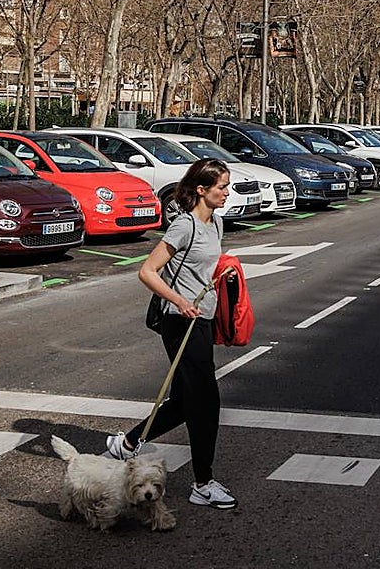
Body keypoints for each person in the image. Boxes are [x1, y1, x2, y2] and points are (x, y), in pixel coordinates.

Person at [104, 157, 237, 510]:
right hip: (180, 322)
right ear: (201, 189)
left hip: (203, 319)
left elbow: (204, 270)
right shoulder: (184, 226)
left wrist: (223, 278)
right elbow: (147, 271)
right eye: (221, 186)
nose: (227, 192)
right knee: (206, 402)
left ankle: (128, 443)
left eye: (227, 185)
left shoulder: (216, 225)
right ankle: (203, 483)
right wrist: (179, 301)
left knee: (182, 401)